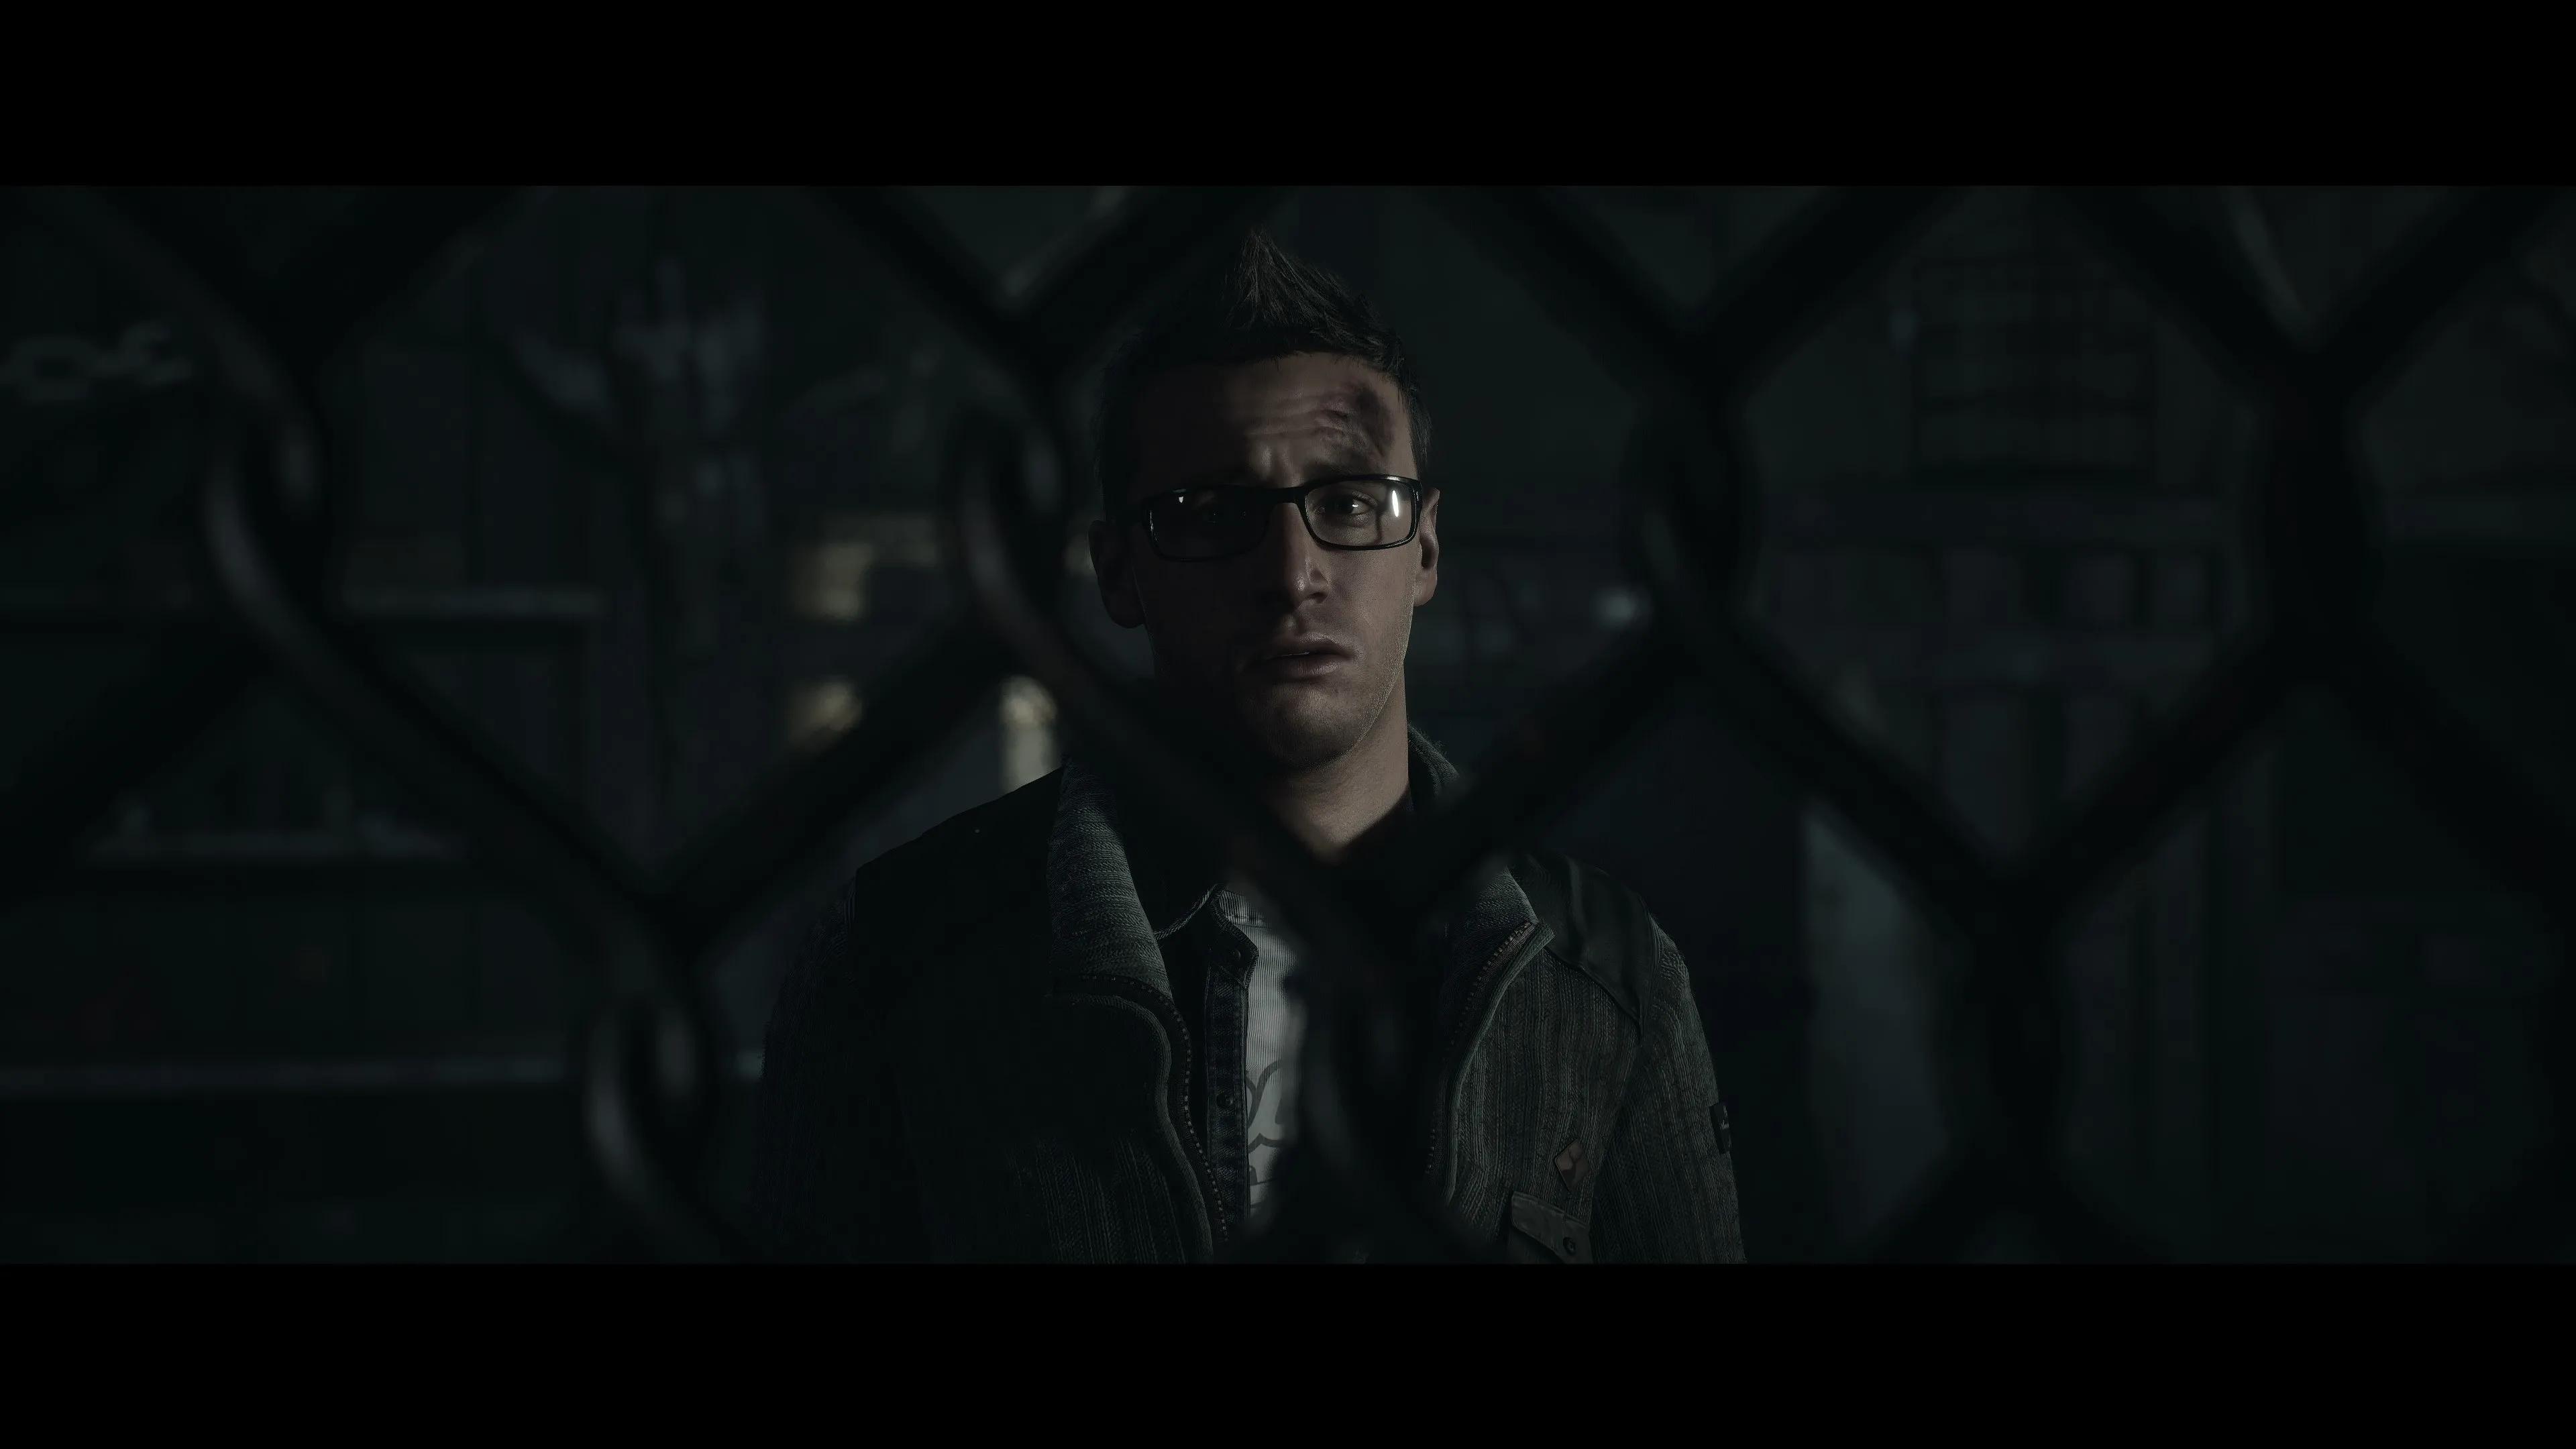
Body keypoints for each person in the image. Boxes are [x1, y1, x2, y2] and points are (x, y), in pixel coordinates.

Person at [749, 230, 1744, 1263]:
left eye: (1349, 503)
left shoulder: (1605, 973)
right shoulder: (903, 953)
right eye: (1213, 511)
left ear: (1425, 547)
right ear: (1119, 571)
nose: (1291, 572)